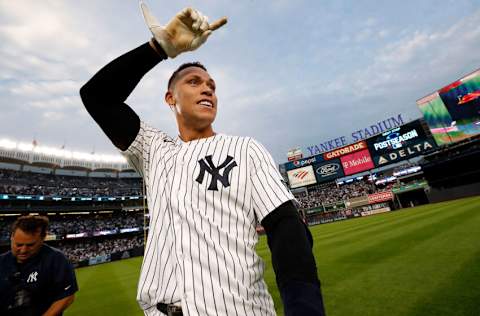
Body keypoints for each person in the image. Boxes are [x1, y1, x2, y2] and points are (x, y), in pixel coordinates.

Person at [80, 3, 326, 316]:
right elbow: (97, 96)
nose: (207, 88)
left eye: (211, 85)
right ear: (171, 99)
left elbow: (286, 227)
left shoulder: (245, 148)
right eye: (193, 82)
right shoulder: (154, 149)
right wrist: (160, 48)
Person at [0, 215, 78, 316]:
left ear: (42, 239)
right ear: (11, 238)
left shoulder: (56, 259)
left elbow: (67, 297)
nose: (23, 250)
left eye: (30, 245)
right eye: (18, 245)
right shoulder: (2, 261)